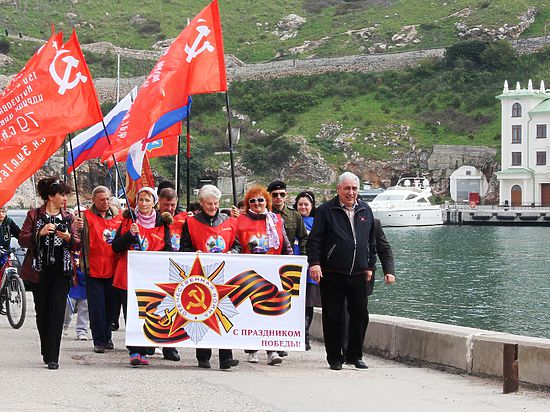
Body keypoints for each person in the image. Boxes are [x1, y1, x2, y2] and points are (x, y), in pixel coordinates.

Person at [307, 172, 376, 371]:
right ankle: (335, 357)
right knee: (333, 316)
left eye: (354, 188)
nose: (351, 192)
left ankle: (355, 355)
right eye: (347, 188)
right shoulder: (326, 210)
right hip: (332, 272)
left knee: (360, 315)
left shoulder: (365, 210)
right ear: (339, 189)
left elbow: (371, 242)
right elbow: (315, 241)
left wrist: (370, 265)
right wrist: (315, 263)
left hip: (359, 273)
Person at [19, 177, 81, 370]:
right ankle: (46, 348)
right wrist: (40, 233)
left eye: (65, 194)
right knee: (42, 312)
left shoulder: (69, 217)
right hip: (39, 270)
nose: (64, 198)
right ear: (50, 196)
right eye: (61, 194)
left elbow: (78, 244)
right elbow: (22, 240)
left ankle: (53, 356)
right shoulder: (34, 215)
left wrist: (69, 237)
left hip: (61, 272)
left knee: (57, 312)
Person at [180, 184, 240, 370]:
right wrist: (194, 252)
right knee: (203, 312)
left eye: (215, 203)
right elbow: (184, 247)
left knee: (225, 313)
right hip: (201, 275)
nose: (213, 207)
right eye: (209, 204)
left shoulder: (228, 221)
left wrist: (233, 252)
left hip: (224, 273)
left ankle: (226, 356)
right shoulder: (191, 223)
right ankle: (203, 355)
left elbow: (237, 245)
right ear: (201, 203)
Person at [112, 187, 173, 366]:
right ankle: (134, 351)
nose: (144, 204)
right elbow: (116, 247)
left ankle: (146, 348)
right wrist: (130, 235)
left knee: (150, 312)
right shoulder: (127, 221)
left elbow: (168, 249)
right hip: (128, 274)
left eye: (147, 200)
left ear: (154, 202)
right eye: (140, 200)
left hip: (151, 276)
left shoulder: (162, 223)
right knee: (131, 313)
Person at [235, 184, 292, 366]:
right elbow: (236, 244)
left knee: (271, 310)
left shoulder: (276, 220)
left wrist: (292, 262)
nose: (257, 203)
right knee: (252, 311)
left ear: (266, 201)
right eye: (252, 201)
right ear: (248, 204)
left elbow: (286, 245)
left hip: (272, 269)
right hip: (250, 272)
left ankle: (272, 350)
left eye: (260, 200)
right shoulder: (240, 221)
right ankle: (252, 349)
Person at [342, 217, 396, 356]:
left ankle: (355, 351)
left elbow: (384, 249)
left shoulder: (374, 223)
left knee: (360, 313)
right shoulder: (336, 220)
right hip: (339, 273)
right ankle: (344, 348)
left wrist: (389, 271)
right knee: (342, 311)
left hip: (364, 274)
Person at [80, 186, 122, 353]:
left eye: (107, 199)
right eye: (102, 200)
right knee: (97, 306)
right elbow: (78, 239)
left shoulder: (119, 216)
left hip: (114, 267)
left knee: (112, 306)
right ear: (94, 201)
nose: (105, 203)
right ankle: (99, 340)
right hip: (94, 267)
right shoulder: (85, 217)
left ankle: (108, 337)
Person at [155, 187, 187, 362]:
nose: (170, 208)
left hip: (177, 267)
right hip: (157, 266)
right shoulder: (152, 218)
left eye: (173, 205)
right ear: (159, 202)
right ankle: (150, 342)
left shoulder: (184, 219)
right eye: (166, 204)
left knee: (173, 308)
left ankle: (170, 346)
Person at [293, 191, 321, 351]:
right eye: (300, 204)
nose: (303, 207)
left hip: (309, 269)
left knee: (308, 304)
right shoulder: (290, 221)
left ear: (312, 206)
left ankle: (305, 335)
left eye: (306, 204)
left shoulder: (316, 223)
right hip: (292, 269)